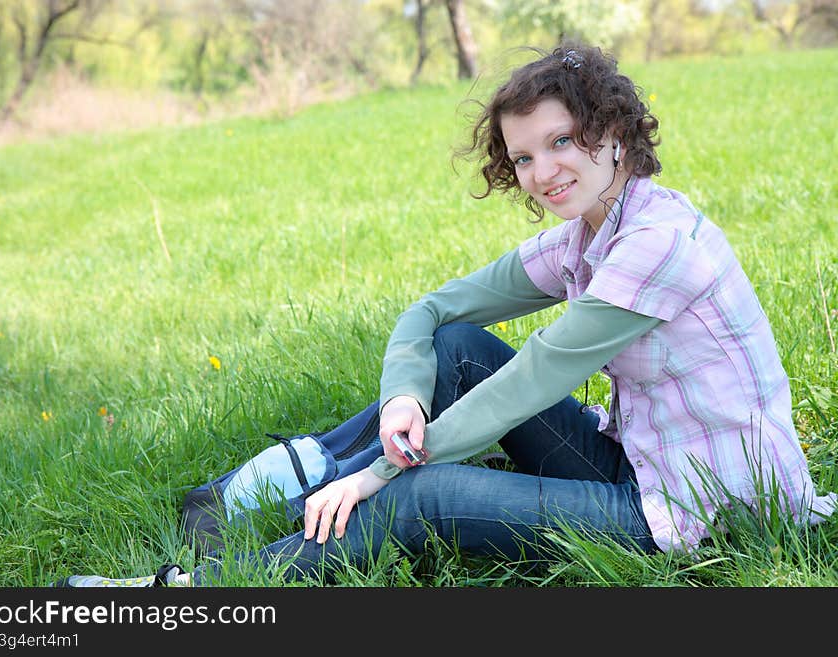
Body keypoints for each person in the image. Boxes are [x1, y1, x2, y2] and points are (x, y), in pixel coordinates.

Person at [55, 43, 836, 588]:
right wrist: (403, 393)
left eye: (562, 141)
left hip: (701, 513)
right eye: (525, 156)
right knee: (458, 346)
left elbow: (530, 380)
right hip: (641, 461)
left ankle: (193, 586)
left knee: (417, 495)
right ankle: (260, 494)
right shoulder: (584, 236)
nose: (542, 172)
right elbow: (433, 313)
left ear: (617, 135)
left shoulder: (657, 245)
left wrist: (378, 473)